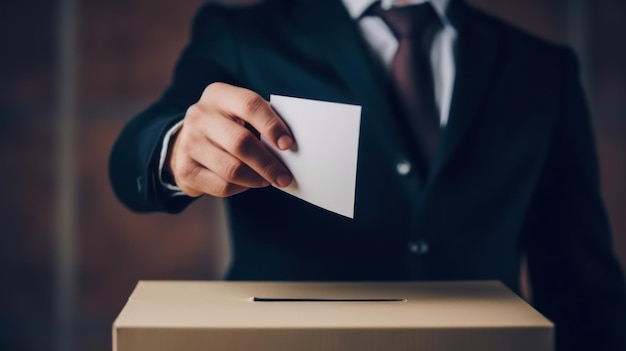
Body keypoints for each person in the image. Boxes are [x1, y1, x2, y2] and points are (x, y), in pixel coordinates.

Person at [108, 0, 626, 350]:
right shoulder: (246, 35)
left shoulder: (541, 68)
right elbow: (135, 154)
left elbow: (578, 276)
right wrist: (175, 145)